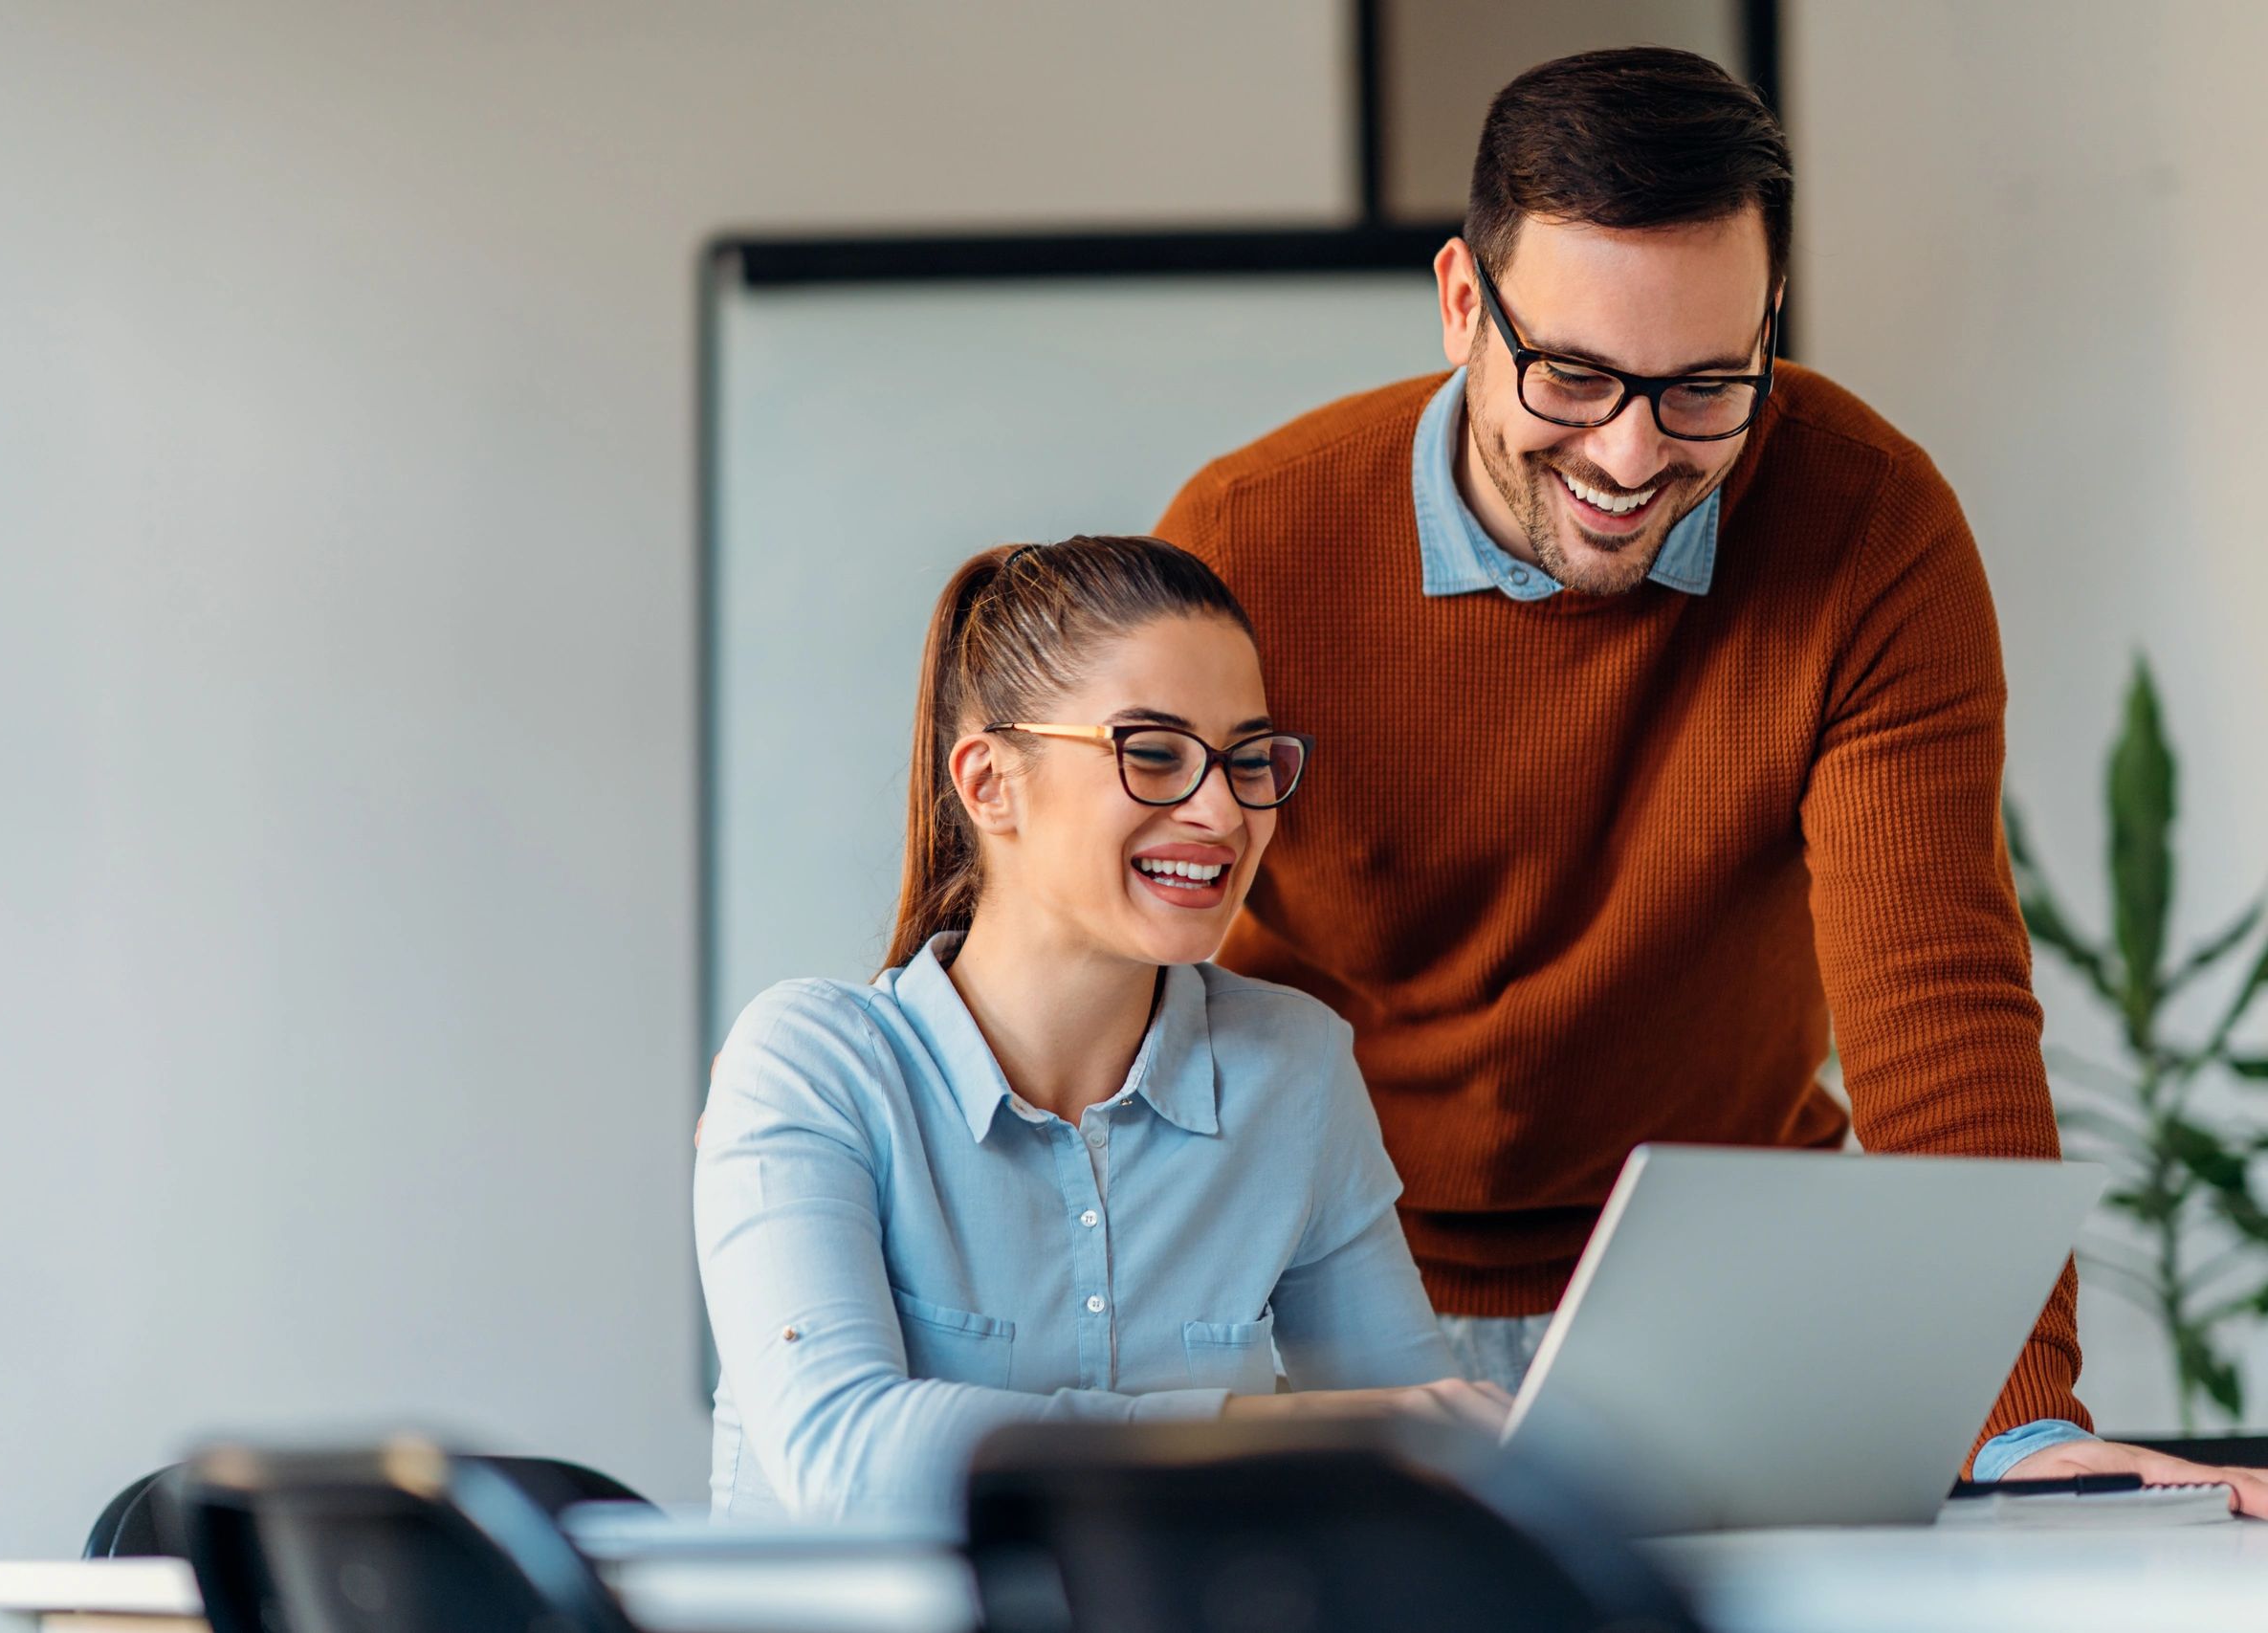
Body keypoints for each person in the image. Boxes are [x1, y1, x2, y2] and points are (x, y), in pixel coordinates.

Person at [1154, 46, 2268, 1512]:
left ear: (1768, 329)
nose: (1630, 452)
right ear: (1458, 304)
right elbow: (1124, 946)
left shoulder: (1871, 529)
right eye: (1573, 375)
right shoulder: (1253, 537)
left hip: (1714, 1299)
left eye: (1703, 388)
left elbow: (1934, 993)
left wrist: (2018, 1425)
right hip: (1325, 1287)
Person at [694, 536, 1506, 1519]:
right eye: (1153, 753)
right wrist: (1259, 1432)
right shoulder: (813, 1066)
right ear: (989, 782)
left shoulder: (1292, 1068)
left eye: (1248, 760)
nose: (1221, 810)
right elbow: (845, 1457)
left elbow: (1423, 1458)